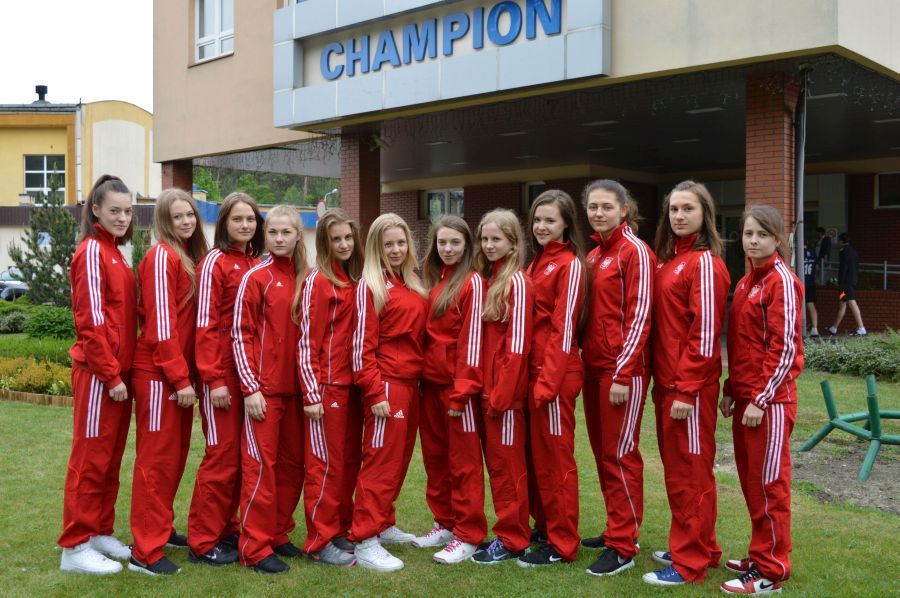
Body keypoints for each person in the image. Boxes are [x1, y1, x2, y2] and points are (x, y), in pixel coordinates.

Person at [644, 180, 730, 587]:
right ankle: (701, 547)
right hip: (668, 385)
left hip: (689, 390)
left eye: (688, 209)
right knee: (681, 472)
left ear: (704, 214)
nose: (679, 216)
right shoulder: (671, 260)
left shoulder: (705, 263)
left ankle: (689, 562)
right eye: (674, 209)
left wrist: (687, 389)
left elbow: (705, 334)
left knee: (690, 474)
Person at [720, 205, 803, 595]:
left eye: (762, 234)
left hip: (770, 404)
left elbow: (784, 349)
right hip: (748, 399)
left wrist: (760, 399)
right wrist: (732, 389)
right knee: (753, 483)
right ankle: (760, 553)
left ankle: (772, 569)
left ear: (777, 239)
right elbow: (741, 346)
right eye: (748, 233)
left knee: (770, 485)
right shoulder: (745, 282)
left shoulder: (781, 281)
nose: (753, 241)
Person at [59, 175, 137, 574]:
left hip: (116, 377)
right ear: (95, 210)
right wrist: (110, 375)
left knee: (108, 459)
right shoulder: (91, 251)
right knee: (89, 460)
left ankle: (99, 530)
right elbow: (89, 322)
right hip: (98, 377)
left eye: (128, 211)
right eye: (114, 211)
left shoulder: (115, 253)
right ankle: (74, 546)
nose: (122, 218)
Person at [128, 188, 208, 575]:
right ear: (164, 220)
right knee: (157, 462)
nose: (186, 221)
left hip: (174, 376)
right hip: (159, 375)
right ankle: (144, 551)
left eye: (190, 214)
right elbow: (161, 326)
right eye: (177, 216)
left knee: (172, 460)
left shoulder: (186, 256)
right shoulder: (162, 256)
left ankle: (160, 528)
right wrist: (179, 379)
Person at [579, 180, 656, 577]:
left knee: (620, 455)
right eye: (593, 206)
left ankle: (624, 546)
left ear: (624, 209)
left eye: (607, 206)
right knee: (603, 454)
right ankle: (617, 529)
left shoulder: (634, 251)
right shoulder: (595, 255)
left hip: (622, 370)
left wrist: (624, 372)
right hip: (594, 368)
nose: (599, 213)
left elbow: (640, 315)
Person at [188, 192, 264, 565]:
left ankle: (227, 527)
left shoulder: (256, 262)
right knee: (221, 457)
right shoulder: (214, 262)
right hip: (221, 377)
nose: (245, 225)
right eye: (237, 219)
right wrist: (214, 379)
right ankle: (203, 541)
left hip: (248, 376)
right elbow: (205, 324)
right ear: (224, 223)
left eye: (250, 219)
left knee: (239, 457)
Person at [348, 213, 428, 572]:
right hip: (387, 385)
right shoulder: (371, 285)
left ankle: (382, 522)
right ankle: (365, 539)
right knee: (380, 463)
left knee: (398, 461)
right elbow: (361, 347)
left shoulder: (410, 281)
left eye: (400, 242)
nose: (396, 250)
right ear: (375, 248)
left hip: (411, 384)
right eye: (388, 244)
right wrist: (375, 392)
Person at [232, 205, 308, 574]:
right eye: (273, 232)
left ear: (298, 235)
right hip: (264, 392)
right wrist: (250, 388)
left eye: (286, 232)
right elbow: (240, 334)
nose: (279, 238)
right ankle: (255, 546)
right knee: (260, 469)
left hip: (298, 392)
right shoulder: (256, 277)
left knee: (293, 467)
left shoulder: (306, 278)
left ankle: (278, 533)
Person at [519, 190, 586, 567]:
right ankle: (545, 528)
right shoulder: (538, 261)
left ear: (566, 224)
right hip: (534, 373)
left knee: (556, 461)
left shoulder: (569, 264)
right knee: (539, 459)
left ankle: (562, 543)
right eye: (537, 219)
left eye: (550, 220)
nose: (541, 226)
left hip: (555, 376)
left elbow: (563, 329)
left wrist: (547, 384)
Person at [413, 216, 487, 564]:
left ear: (467, 245)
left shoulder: (472, 282)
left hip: (458, 391)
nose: (447, 248)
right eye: (442, 242)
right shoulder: (436, 281)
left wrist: (462, 392)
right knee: (436, 459)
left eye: (455, 242)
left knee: (464, 463)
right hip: (431, 386)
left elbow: (472, 342)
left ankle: (469, 534)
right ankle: (445, 522)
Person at [297, 209, 364, 568]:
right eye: (336, 239)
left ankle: (337, 528)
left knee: (346, 464)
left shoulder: (352, 278)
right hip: (326, 387)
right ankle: (319, 542)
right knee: (324, 466)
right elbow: (307, 341)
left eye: (348, 238)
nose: (343, 244)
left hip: (351, 387)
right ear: (324, 242)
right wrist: (311, 394)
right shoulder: (318, 281)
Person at [470, 209, 534, 565]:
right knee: (497, 467)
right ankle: (507, 532)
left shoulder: (517, 282)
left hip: (504, 399)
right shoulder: (489, 278)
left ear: (513, 242)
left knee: (508, 469)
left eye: (497, 239)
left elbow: (518, 347)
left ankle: (513, 539)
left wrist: (503, 395)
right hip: (488, 393)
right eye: (485, 239)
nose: (489, 245)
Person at [827, 233, 867, 337]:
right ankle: (834, 328)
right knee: (842, 303)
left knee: (852, 303)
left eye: (838, 240)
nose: (838, 242)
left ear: (841, 241)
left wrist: (840, 283)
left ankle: (861, 328)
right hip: (851, 282)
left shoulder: (843, 252)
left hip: (845, 284)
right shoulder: (854, 251)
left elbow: (843, 268)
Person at [803, 241, 819, 338]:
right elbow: (817, 268)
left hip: (800, 283)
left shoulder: (798, 253)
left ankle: (800, 328)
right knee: (811, 305)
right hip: (811, 283)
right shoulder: (812, 253)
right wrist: (813, 276)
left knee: (799, 306)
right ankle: (815, 329)